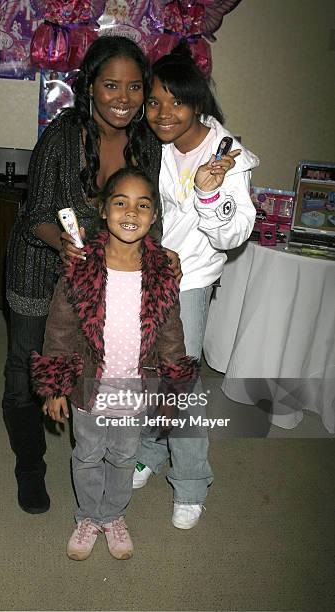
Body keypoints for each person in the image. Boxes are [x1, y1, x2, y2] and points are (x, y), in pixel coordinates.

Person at [3, 35, 165, 515]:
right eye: (111, 84)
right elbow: (35, 216)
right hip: (41, 265)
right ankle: (29, 466)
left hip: (101, 278)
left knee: (95, 368)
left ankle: (97, 458)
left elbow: (146, 211)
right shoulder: (62, 135)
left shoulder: (145, 142)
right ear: (89, 86)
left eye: (135, 87)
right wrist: (67, 245)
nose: (123, 98)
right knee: (25, 370)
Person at [31, 167, 197, 560]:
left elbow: (172, 333)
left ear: (154, 216)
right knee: (88, 454)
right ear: (104, 210)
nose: (131, 211)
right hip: (90, 387)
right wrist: (55, 387)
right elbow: (59, 330)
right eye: (120, 202)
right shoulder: (82, 266)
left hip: (136, 390)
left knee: (124, 456)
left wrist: (174, 391)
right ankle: (89, 516)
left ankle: (114, 515)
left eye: (143, 205)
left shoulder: (161, 273)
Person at [132, 41, 260, 529]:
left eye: (176, 103)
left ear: (197, 103)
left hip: (189, 283)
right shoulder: (153, 144)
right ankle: (150, 448)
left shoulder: (227, 157)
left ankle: (191, 482)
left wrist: (208, 192)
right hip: (144, 273)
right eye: (155, 102)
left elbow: (232, 235)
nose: (163, 114)